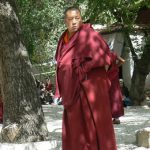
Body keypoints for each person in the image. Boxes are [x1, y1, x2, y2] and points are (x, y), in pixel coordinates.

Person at [55, 6, 117, 150]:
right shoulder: (63, 39)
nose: (74, 22)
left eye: (77, 18)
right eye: (70, 19)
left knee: (92, 124)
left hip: (88, 88)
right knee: (75, 126)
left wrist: (85, 67)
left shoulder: (89, 35)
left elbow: (105, 57)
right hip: (71, 89)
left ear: (81, 19)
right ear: (65, 21)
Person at [107, 52, 125, 124]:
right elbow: (123, 61)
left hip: (108, 75)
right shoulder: (114, 54)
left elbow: (106, 65)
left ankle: (108, 116)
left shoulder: (105, 54)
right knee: (115, 96)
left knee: (108, 96)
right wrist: (116, 66)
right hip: (114, 76)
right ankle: (116, 117)